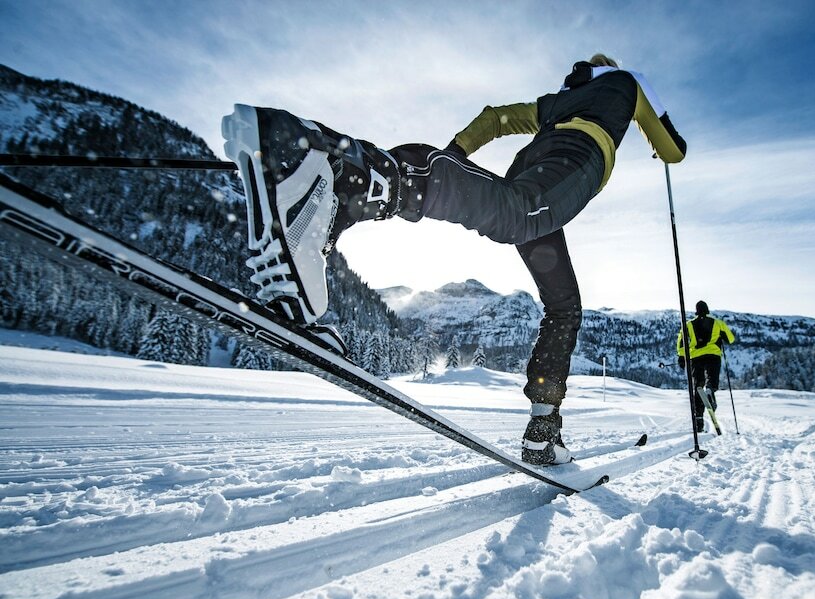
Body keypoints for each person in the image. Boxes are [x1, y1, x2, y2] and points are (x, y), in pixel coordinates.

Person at [222, 54, 687, 465]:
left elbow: (498, 118)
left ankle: (544, 430)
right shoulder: (627, 82)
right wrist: (436, 171)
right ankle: (355, 175)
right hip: (576, 161)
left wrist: (456, 154)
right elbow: (672, 150)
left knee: (563, 302)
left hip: (532, 165)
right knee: (518, 216)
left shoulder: (560, 100)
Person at [676, 301, 735, 432]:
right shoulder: (718, 323)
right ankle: (710, 390)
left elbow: (681, 342)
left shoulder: (688, 325)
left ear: (696, 311)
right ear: (707, 310)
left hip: (696, 357)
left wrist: (681, 357)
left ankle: (699, 421)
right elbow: (730, 339)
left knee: (698, 386)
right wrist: (720, 338)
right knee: (712, 379)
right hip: (713, 355)